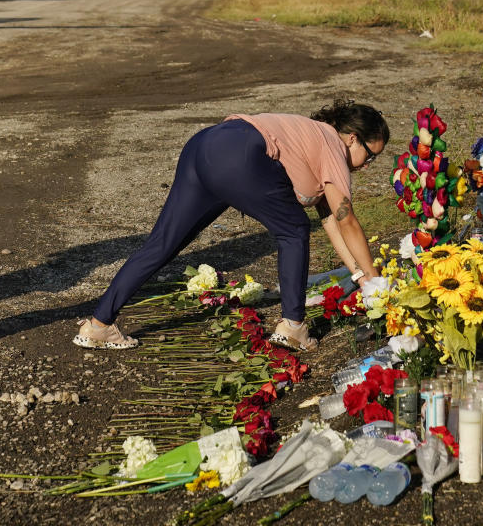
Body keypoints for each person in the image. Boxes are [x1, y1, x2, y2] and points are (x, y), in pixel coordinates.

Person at [74, 99, 389, 351]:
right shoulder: (332, 143)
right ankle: (293, 326)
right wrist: (376, 281)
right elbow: (347, 219)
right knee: (294, 230)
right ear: (351, 138)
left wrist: (360, 275)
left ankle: (99, 325)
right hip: (237, 155)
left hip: (204, 146)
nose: (367, 165)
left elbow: (332, 221)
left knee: (162, 244)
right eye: (370, 156)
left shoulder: (310, 138)